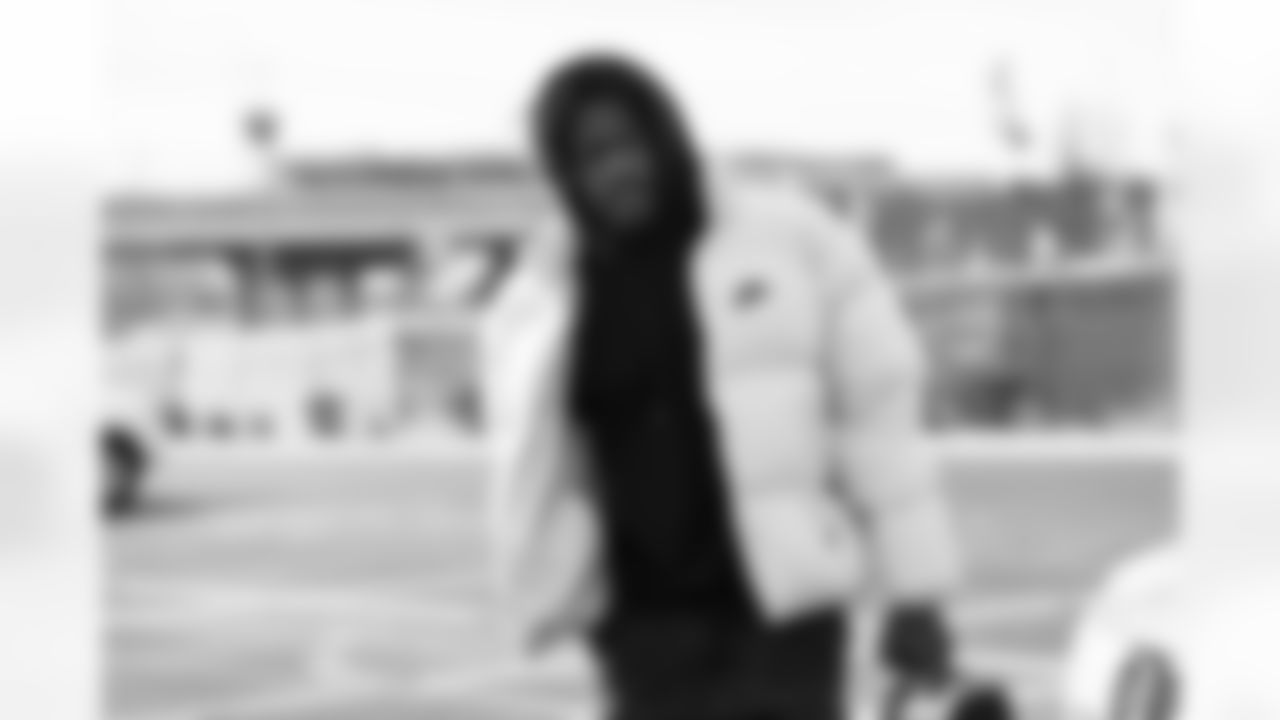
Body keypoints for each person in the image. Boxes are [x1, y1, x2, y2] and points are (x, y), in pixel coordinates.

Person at [484, 53, 963, 720]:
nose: (619, 169)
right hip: (643, 635)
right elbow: (537, 475)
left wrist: (917, 594)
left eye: (630, 141)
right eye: (590, 156)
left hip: (783, 624)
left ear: (669, 135)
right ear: (565, 178)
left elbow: (878, 421)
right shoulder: (543, 299)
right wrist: (559, 592)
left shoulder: (792, 238)